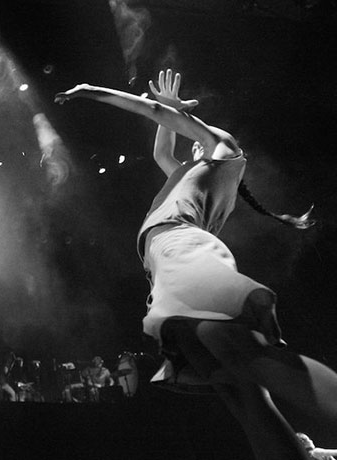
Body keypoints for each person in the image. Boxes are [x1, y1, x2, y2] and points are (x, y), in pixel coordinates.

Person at [55, 69, 337, 460]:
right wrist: (171, 112)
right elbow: (161, 151)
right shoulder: (189, 174)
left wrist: (92, 90)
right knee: (238, 387)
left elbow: (154, 112)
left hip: (181, 248)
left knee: (246, 356)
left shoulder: (225, 149)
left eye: (194, 133)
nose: (188, 143)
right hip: (169, 261)